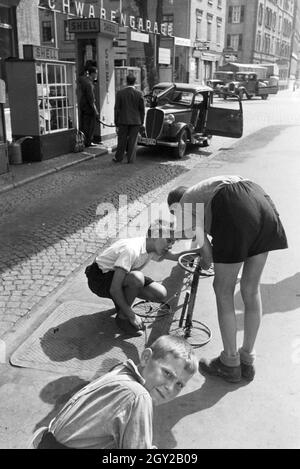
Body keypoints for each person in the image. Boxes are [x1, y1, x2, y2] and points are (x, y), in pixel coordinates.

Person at [167, 175, 288, 383]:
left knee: (223, 290)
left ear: (176, 206)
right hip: (261, 202)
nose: (177, 219)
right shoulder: (203, 193)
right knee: (251, 289)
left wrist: (205, 260)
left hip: (235, 208)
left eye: (173, 213)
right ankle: (247, 359)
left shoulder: (187, 201)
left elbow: (207, 254)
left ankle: (230, 362)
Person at [29, 334, 198, 449]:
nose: (170, 387)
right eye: (167, 373)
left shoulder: (120, 371)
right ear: (146, 357)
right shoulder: (138, 396)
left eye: (179, 385)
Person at [85, 220, 194, 336]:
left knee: (160, 293)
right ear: (154, 236)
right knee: (137, 278)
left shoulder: (153, 247)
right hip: (98, 279)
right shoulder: (132, 250)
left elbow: (178, 257)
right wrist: (132, 315)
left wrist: (202, 252)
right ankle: (122, 318)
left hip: (118, 275)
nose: (171, 245)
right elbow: (114, 289)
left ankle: (122, 304)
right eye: (168, 240)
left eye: (173, 242)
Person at [113, 74, 145, 163]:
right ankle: (130, 159)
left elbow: (116, 109)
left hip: (123, 120)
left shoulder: (120, 93)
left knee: (121, 140)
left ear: (126, 82)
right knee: (133, 141)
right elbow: (142, 110)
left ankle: (118, 158)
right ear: (135, 82)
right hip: (136, 121)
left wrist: (116, 122)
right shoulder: (139, 94)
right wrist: (142, 121)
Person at [78, 65, 100, 147]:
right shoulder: (89, 84)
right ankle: (88, 142)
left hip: (83, 106)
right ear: (92, 74)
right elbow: (91, 100)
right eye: (96, 73)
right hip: (89, 108)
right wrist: (96, 111)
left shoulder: (85, 81)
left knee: (84, 124)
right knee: (90, 126)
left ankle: (85, 141)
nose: (96, 75)